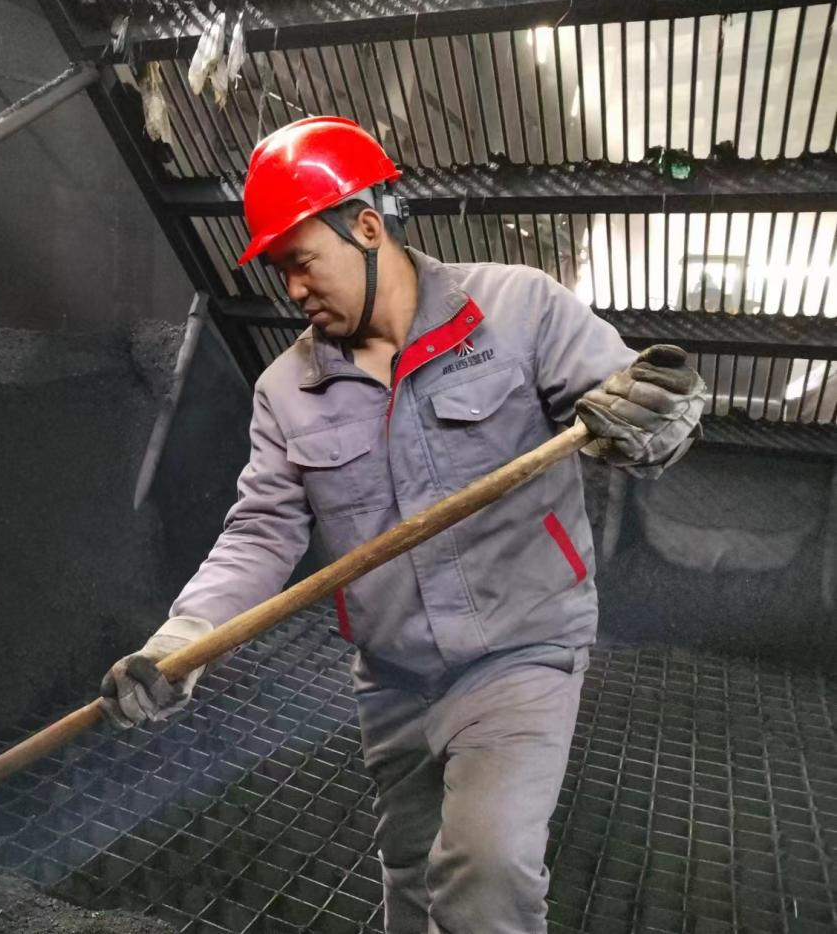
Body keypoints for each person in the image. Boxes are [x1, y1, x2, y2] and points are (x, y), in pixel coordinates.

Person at [99, 116, 706, 933]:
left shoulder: (517, 309)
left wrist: (657, 414)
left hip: (519, 650)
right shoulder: (286, 390)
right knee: (410, 864)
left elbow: (628, 402)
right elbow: (260, 532)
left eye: (301, 261)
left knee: (485, 867)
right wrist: (184, 639)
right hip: (391, 677)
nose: (293, 290)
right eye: (279, 272)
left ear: (365, 227)